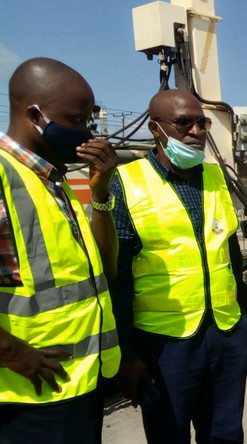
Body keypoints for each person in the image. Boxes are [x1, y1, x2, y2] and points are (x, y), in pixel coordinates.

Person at [109, 89, 247, 443]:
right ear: (156, 129)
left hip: (224, 331)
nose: (197, 131)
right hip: (164, 343)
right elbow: (119, 276)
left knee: (226, 434)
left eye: (201, 122)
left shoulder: (216, 179)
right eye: (184, 122)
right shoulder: (127, 182)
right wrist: (126, 353)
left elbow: (230, 251)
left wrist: (245, 308)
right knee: (168, 434)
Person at [0, 58, 121, 443]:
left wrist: (100, 193)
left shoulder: (54, 181)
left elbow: (105, 269)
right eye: (77, 120)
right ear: (34, 114)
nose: (87, 133)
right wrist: (14, 353)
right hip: (28, 394)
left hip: (80, 383)